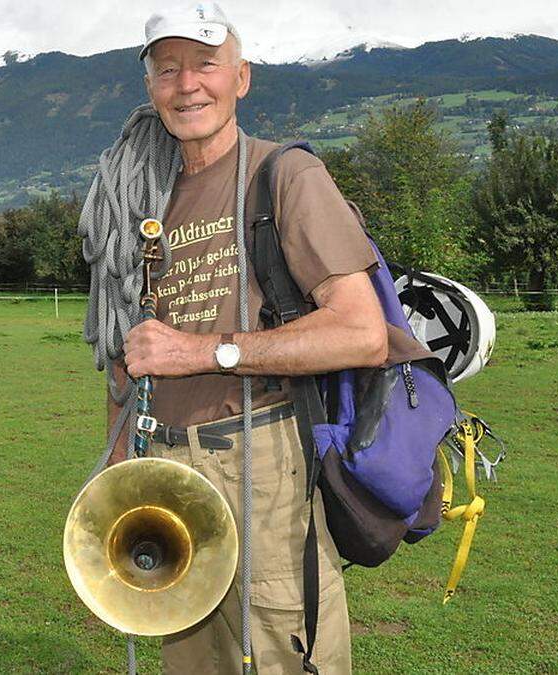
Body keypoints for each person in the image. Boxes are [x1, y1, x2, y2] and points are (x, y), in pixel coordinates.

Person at [105, 3, 388, 673]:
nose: (187, 84)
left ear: (241, 77)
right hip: (164, 468)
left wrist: (205, 351)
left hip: (261, 459)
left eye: (205, 64)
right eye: (167, 68)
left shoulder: (285, 175)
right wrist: (121, 463)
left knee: (286, 651)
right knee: (193, 656)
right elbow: (131, 350)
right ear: (150, 86)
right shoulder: (141, 199)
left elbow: (362, 331)